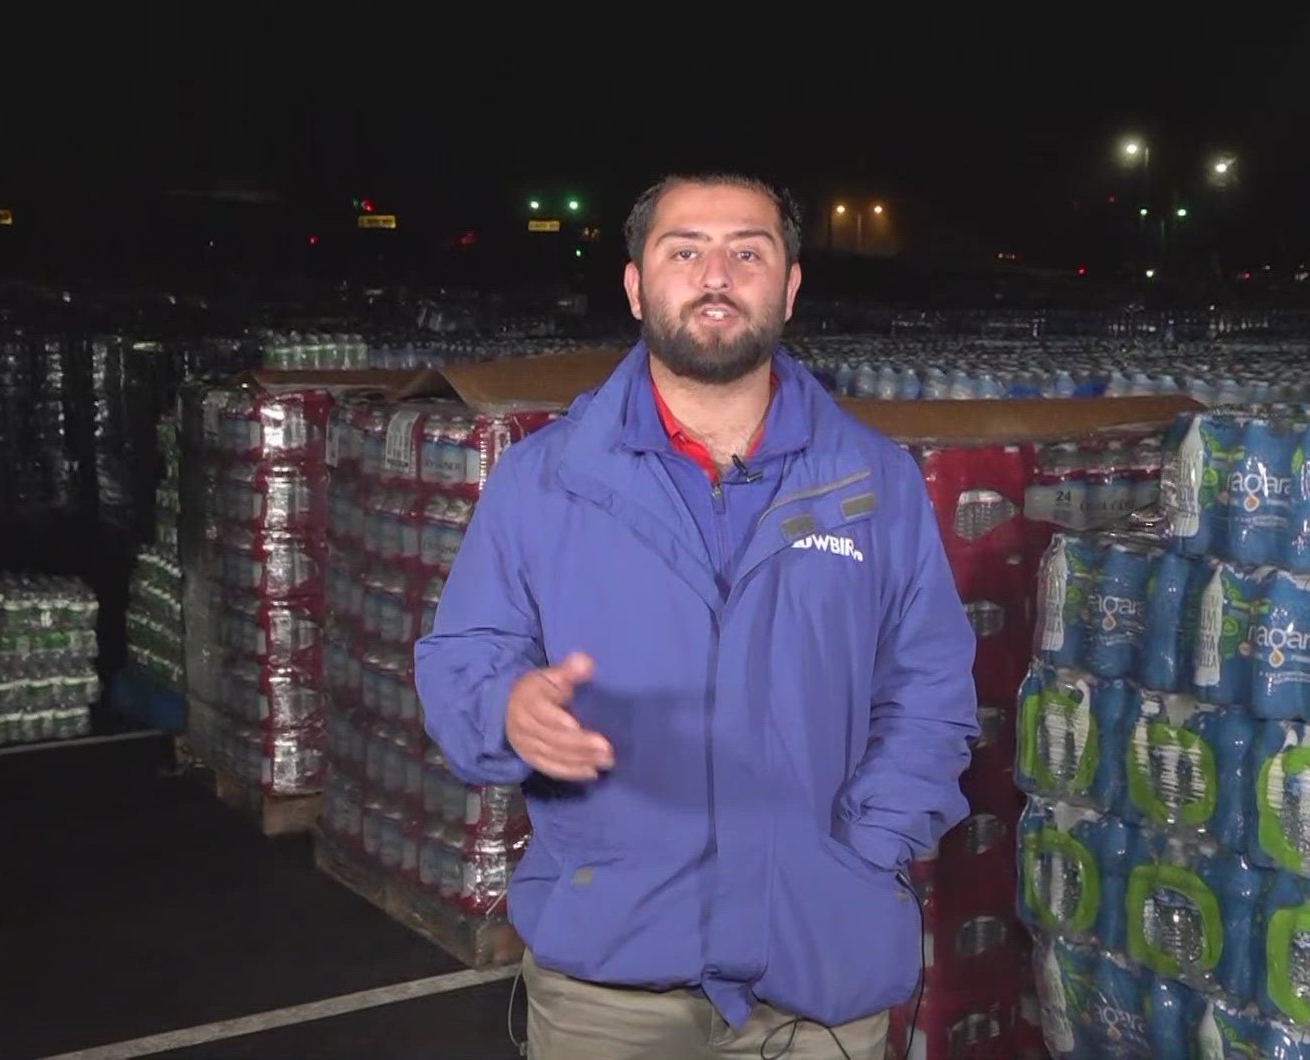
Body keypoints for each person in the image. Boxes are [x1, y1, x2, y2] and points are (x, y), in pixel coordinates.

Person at [414, 173, 979, 1059]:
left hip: (817, 971)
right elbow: (464, 658)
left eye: (748, 252)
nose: (716, 275)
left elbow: (932, 690)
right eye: (685, 251)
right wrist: (505, 710)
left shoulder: (873, 482)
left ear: (789, 287)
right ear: (638, 284)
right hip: (613, 976)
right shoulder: (546, 480)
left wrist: (864, 851)